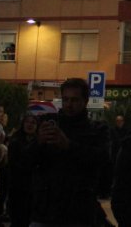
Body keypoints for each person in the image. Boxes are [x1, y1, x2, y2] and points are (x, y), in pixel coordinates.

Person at [28, 77, 111, 227]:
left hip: (79, 209)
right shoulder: (49, 123)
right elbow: (27, 161)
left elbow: (102, 160)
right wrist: (38, 142)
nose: (69, 105)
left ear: (84, 101)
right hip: (47, 209)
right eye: (65, 99)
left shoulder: (97, 130)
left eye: (74, 100)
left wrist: (68, 146)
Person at [6, 113, 39, 227]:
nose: (30, 125)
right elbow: (13, 163)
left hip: (33, 188)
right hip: (18, 186)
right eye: (27, 122)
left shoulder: (39, 141)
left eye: (33, 122)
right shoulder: (15, 140)